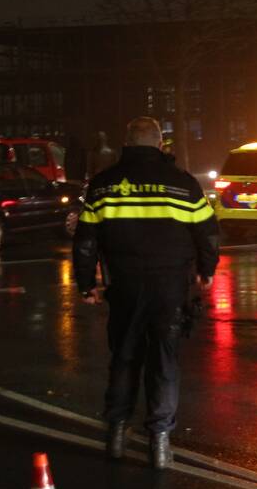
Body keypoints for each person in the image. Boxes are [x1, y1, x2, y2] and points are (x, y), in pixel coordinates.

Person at [72, 116, 219, 469]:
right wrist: (206, 270)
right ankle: (160, 442)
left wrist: (86, 283)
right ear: (160, 144)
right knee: (164, 361)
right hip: (169, 288)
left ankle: (118, 434)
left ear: (126, 142)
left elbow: (85, 241)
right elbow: (208, 233)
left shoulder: (104, 184)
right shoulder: (182, 184)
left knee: (125, 356)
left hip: (124, 285)